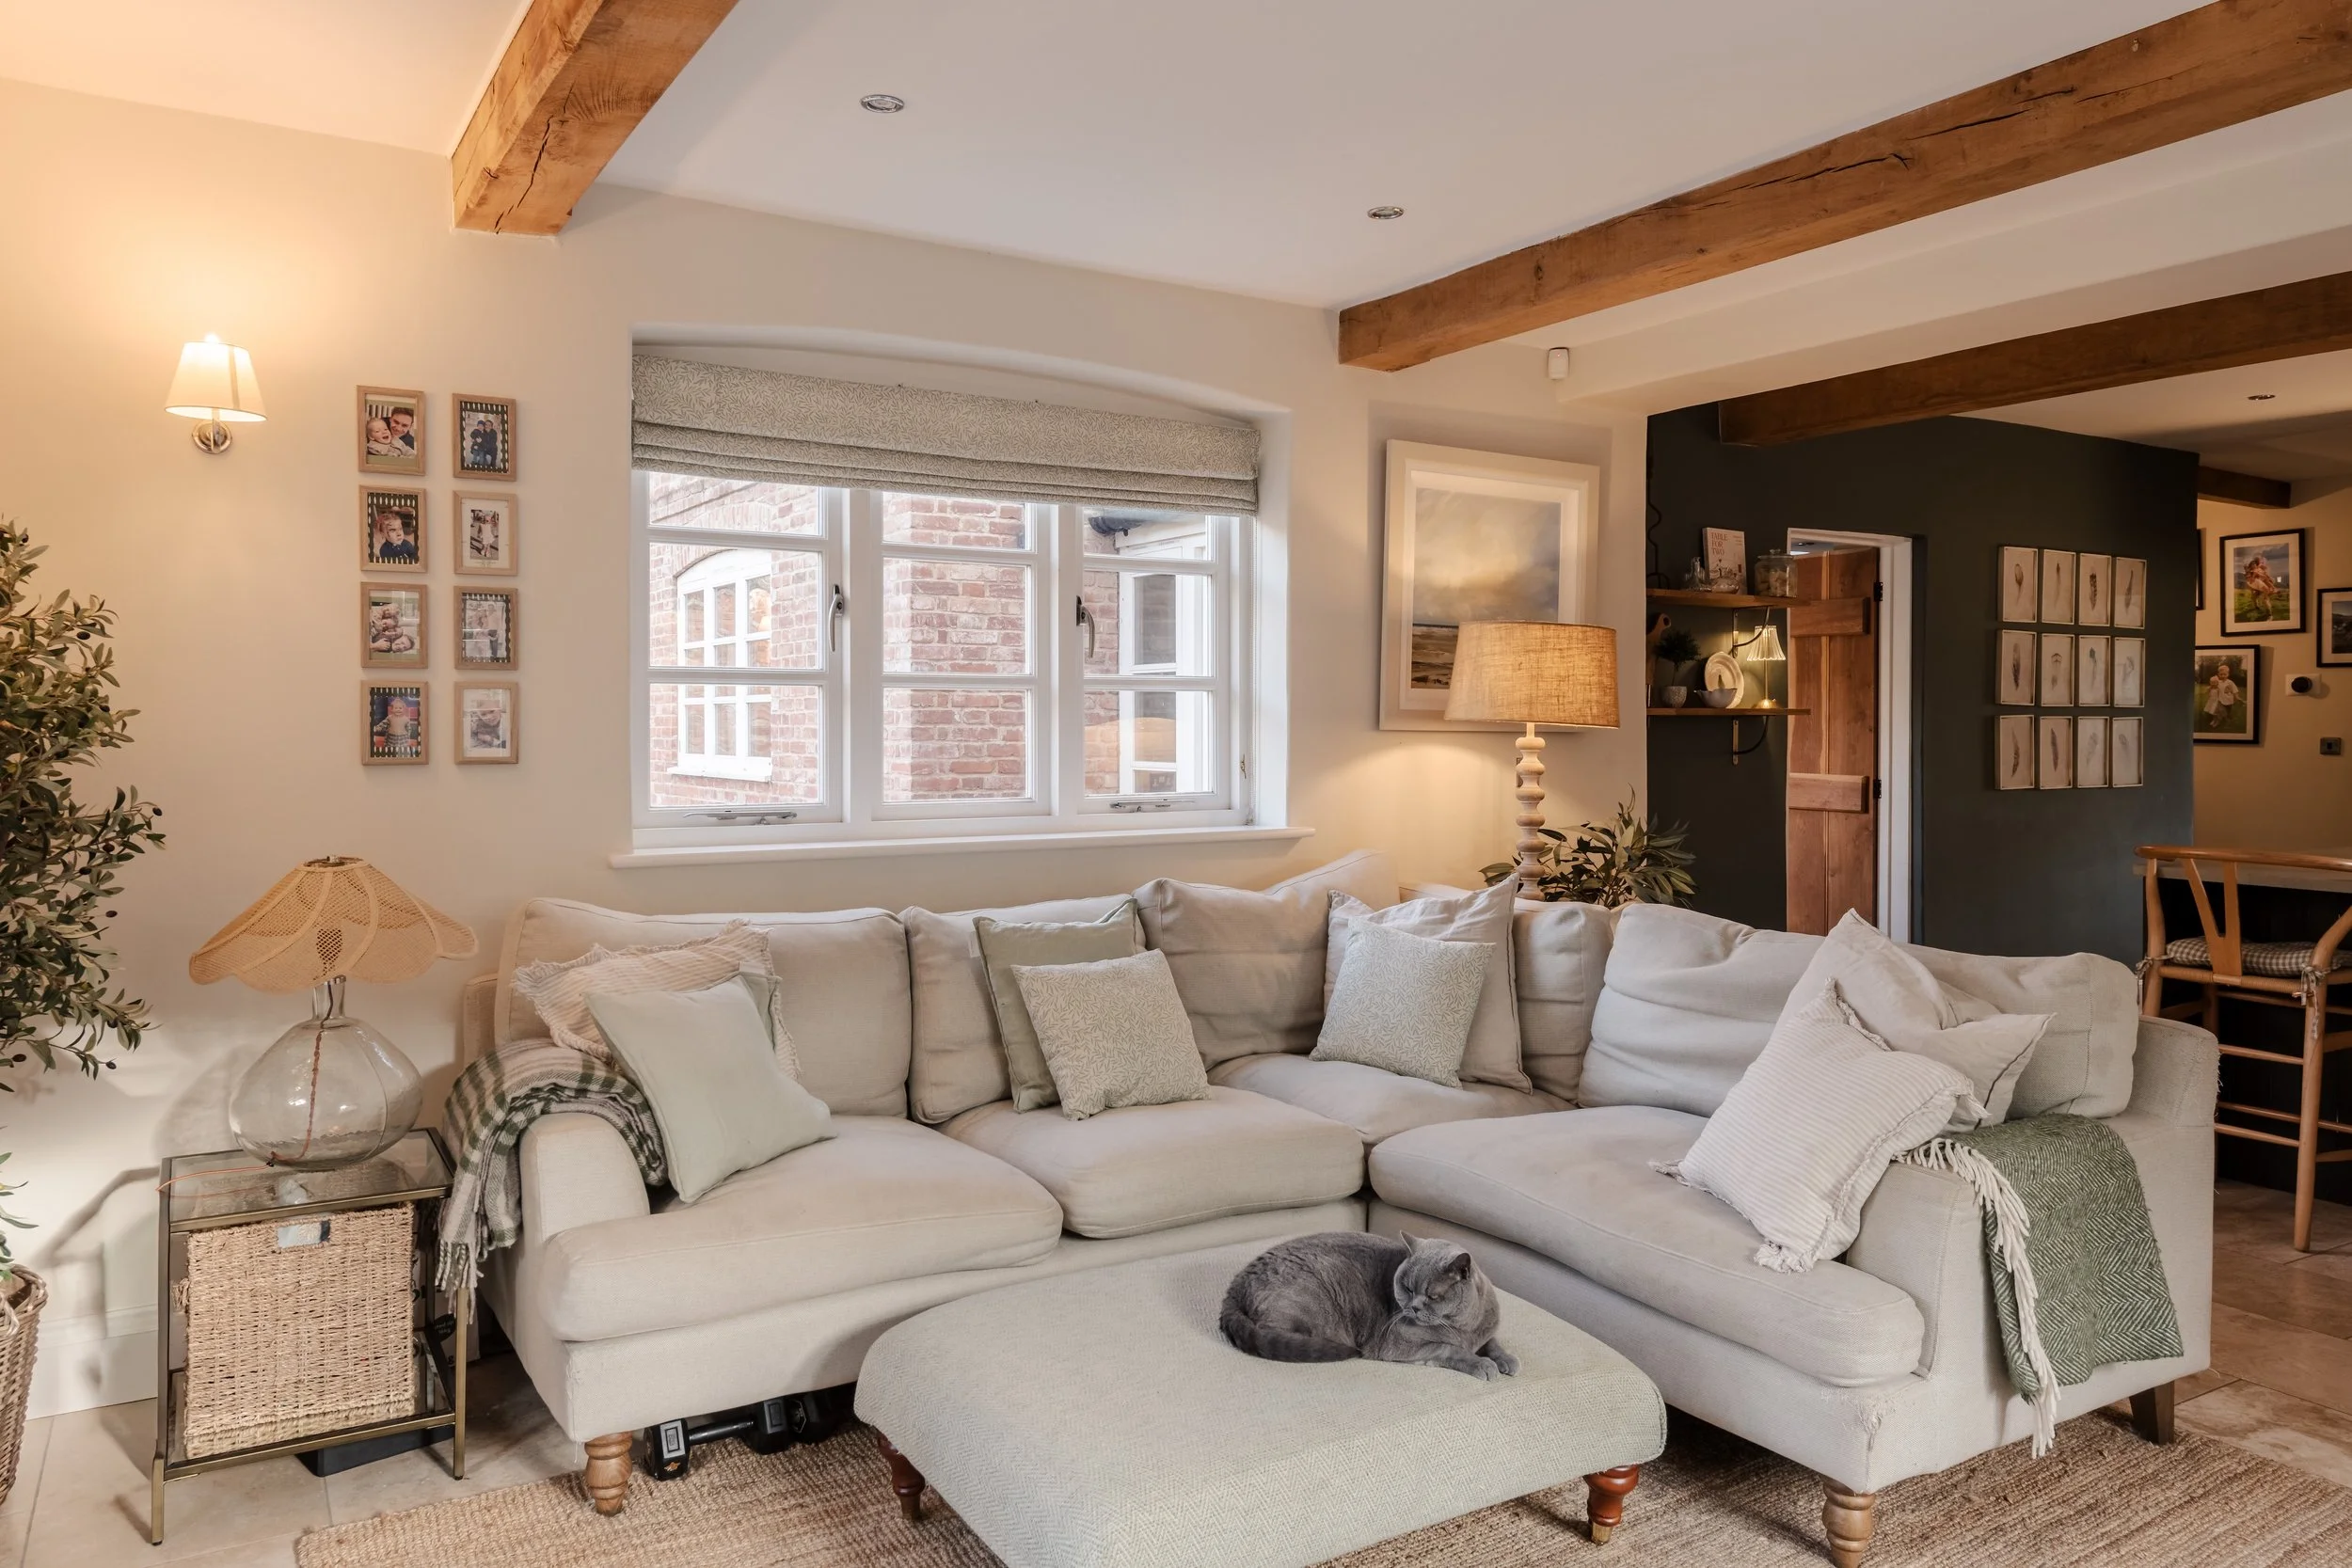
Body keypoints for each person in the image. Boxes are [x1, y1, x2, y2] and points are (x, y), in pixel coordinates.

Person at [2203, 661, 2241, 727]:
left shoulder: (2230, 682)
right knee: (2219, 711)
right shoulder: (2218, 682)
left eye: (2224, 674)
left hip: (2229, 700)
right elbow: (2213, 685)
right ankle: (2217, 720)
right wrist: (2209, 688)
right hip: (2220, 700)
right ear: (2218, 674)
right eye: (2221, 674)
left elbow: (2235, 690)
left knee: (2228, 710)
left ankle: (2227, 717)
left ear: (2228, 674)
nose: (2223, 676)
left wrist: (2237, 697)